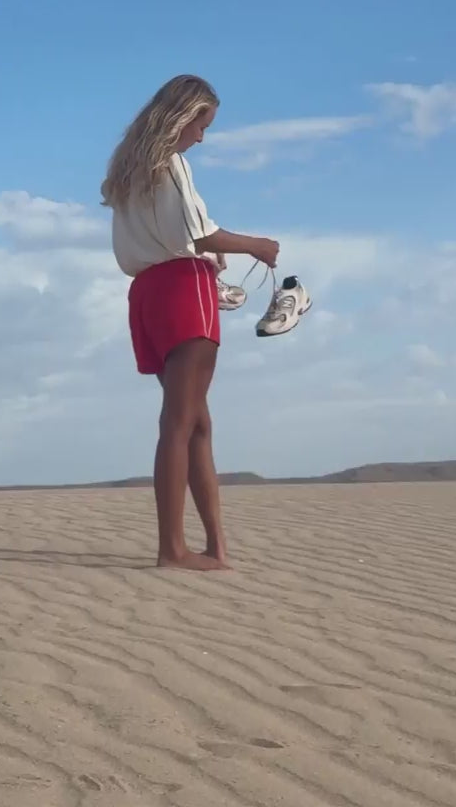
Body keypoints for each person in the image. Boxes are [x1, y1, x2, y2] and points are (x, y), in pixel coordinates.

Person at [101, 75, 280, 571]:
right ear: (180, 117)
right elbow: (198, 236)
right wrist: (256, 246)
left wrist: (202, 255)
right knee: (181, 422)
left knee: (196, 421)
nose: (201, 137)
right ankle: (173, 549)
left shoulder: (128, 170)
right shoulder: (170, 162)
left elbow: (168, 236)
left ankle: (215, 546)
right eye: (201, 125)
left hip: (147, 295)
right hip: (183, 290)